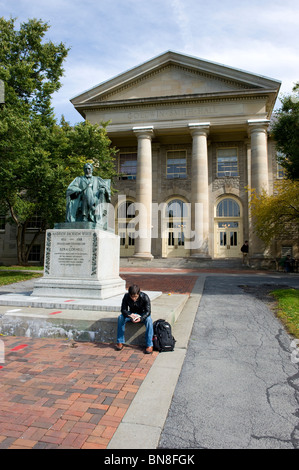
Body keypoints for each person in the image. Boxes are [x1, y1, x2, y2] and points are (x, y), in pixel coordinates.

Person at [116, 284, 154, 354]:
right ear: (129, 294)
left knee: (149, 320)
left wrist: (141, 318)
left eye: (135, 296)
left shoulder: (145, 297)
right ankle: (120, 341)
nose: (134, 298)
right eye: (132, 296)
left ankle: (149, 345)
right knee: (120, 317)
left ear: (139, 293)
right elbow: (123, 309)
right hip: (132, 314)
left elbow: (148, 312)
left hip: (142, 314)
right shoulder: (126, 296)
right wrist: (129, 315)